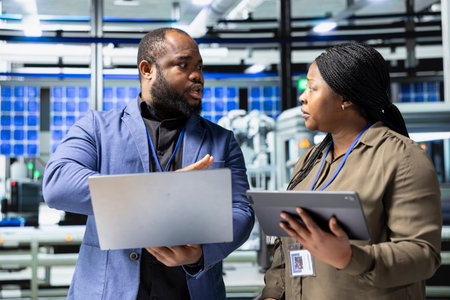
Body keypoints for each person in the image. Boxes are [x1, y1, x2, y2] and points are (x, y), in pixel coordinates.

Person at [43, 27, 254, 300]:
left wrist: (200, 254)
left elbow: (241, 211)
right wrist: (161, 191)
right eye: (183, 65)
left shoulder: (221, 140)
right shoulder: (96, 128)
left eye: (199, 67)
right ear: (147, 69)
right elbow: (58, 185)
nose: (197, 76)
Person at [262, 42, 442, 299]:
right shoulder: (309, 161)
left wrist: (350, 257)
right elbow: (288, 242)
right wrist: (273, 293)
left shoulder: (403, 158)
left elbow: (423, 255)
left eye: (312, 88)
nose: (303, 96)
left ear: (345, 98)